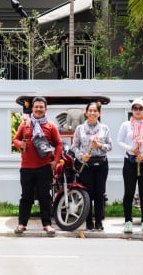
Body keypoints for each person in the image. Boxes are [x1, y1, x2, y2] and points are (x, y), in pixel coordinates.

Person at [12, 96, 63, 236]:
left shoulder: (51, 126)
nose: (39, 109)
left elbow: (59, 144)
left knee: (45, 197)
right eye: (36, 107)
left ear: (45, 109)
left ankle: (47, 224)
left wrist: (56, 161)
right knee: (26, 197)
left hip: (44, 167)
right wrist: (19, 144)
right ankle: (22, 224)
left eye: (41, 107)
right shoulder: (25, 124)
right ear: (32, 109)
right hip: (27, 167)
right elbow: (15, 139)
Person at [116, 99, 143, 234]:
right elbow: (119, 141)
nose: (138, 111)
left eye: (141, 108)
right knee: (129, 192)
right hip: (130, 161)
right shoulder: (126, 125)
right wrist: (131, 149)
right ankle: (128, 221)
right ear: (132, 110)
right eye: (135, 108)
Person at [71, 101, 113, 231]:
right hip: (86, 164)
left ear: (99, 113)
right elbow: (74, 146)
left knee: (99, 194)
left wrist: (99, 145)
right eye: (90, 110)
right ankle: (88, 221)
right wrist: (81, 156)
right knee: (87, 194)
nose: (93, 113)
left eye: (95, 111)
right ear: (86, 113)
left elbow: (110, 146)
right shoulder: (80, 129)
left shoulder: (104, 128)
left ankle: (99, 222)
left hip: (101, 164)